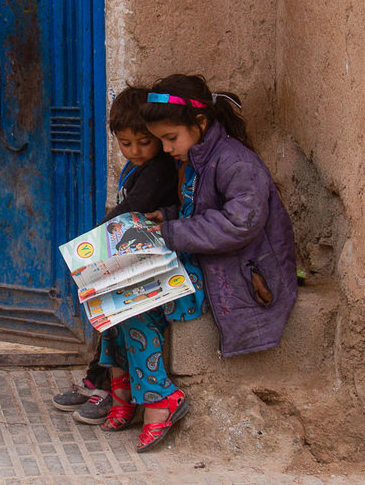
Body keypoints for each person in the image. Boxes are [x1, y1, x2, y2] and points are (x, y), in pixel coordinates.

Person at [98, 73, 297, 452]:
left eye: (171, 138)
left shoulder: (237, 163)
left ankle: (159, 398)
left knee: (134, 299)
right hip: (210, 265)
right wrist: (165, 216)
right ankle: (120, 386)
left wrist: (171, 232)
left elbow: (240, 223)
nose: (166, 148)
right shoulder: (197, 158)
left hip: (239, 280)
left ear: (200, 123)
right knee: (110, 286)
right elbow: (198, 211)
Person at [51, 85, 179, 424]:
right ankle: (100, 380)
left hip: (149, 264)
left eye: (144, 141)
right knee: (104, 310)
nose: (135, 150)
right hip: (132, 257)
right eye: (126, 144)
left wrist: (96, 235)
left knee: (114, 311)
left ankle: (109, 389)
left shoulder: (160, 168)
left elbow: (130, 209)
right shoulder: (138, 167)